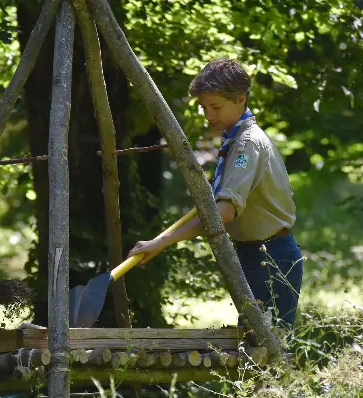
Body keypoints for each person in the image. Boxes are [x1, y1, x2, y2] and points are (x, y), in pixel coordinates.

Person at [128, 58, 304, 331]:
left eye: (216, 107)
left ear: (241, 99)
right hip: (253, 253)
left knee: (269, 349)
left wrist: (162, 242)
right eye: (204, 107)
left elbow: (222, 214)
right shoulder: (233, 139)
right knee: (254, 346)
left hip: (271, 257)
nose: (209, 115)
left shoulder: (247, 144)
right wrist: (160, 240)